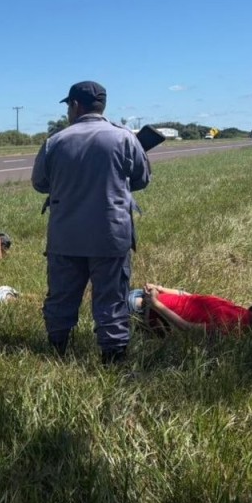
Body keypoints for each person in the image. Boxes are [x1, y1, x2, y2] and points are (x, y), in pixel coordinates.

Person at [31, 81, 151, 363]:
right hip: (110, 233)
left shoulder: (55, 141)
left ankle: (58, 349)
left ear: (75, 105)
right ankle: (113, 355)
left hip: (66, 234)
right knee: (111, 297)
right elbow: (141, 179)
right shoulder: (123, 138)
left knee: (61, 295)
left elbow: (39, 183)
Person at [129, 284, 252, 335]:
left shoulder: (236, 309)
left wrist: (160, 288)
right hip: (141, 311)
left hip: (142, 298)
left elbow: (190, 296)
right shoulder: (236, 326)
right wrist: (156, 304)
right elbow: (188, 328)